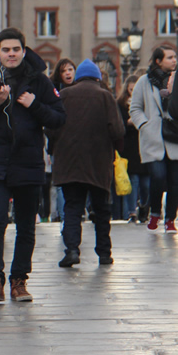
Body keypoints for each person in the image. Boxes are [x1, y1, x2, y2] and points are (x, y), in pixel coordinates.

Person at [0, 27, 66, 302]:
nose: (11, 54)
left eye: (16, 49)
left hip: (29, 163)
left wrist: (35, 106)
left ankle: (19, 282)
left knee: (26, 227)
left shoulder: (40, 81)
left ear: (23, 50)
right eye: (5, 50)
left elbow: (59, 117)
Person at [49, 60, 125, 267]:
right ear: (98, 78)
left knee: (73, 207)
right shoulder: (105, 96)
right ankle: (104, 253)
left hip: (69, 162)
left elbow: (51, 127)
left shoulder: (64, 96)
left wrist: (53, 148)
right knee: (101, 209)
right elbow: (117, 130)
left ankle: (72, 250)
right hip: (98, 163)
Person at [130, 45, 178, 232]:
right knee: (158, 176)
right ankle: (155, 212)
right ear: (158, 61)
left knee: (175, 181)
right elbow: (135, 108)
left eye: (175, 57)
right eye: (170, 57)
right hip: (154, 138)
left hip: (174, 137)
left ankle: (170, 220)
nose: (174, 60)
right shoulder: (144, 81)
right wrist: (144, 124)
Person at [48, 58, 76, 223]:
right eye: (64, 70)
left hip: (75, 142)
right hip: (58, 142)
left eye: (70, 69)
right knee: (59, 181)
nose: (67, 73)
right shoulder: (53, 91)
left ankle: (73, 213)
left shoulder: (79, 90)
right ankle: (65, 216)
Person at [117, 76, 146, 224]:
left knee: (146, 182)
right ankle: (132, 211)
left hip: (144, 145)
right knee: (133, 180)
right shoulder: (121, 104)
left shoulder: (146, 102)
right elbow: (121, 124)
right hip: (130, 146)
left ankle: (145, 209)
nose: (133, 92)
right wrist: (130, 121)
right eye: (130, 90)